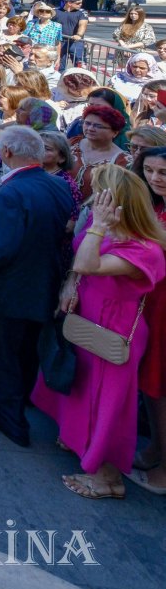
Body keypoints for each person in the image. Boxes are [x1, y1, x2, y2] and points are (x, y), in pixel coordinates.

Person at [32, 165, 166, 499]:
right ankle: (80, 443)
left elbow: (87, 263)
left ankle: (108, 478)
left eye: (102, 196)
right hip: (88, 318)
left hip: (114, 331)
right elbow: (79, 264)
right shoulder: (106, 226)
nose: (94, 202)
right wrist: (70, 285)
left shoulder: (146, 249)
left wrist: (98, 229)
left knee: (106, 405)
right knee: (81, 391)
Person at [0, 126, 75, 447]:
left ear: (6, 153)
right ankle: (19, 404)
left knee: (2, 353)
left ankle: (10, 418)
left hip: (10, 288)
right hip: (42, 283)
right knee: (27, 350)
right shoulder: (56, 186)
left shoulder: (12, 192)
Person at [130, 146, 166, 493]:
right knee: (152, 387)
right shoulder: (153, 204)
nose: (156, 178)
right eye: (150, 170)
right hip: (150, 302)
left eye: (163, 173)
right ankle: (156, 448)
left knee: (160, 386)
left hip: (163, 306)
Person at [71, 104, 130, 201]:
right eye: (87, 123)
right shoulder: (72, 143)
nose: (90, 128)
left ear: (115, 132)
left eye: (98, 126)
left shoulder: (123, 161)